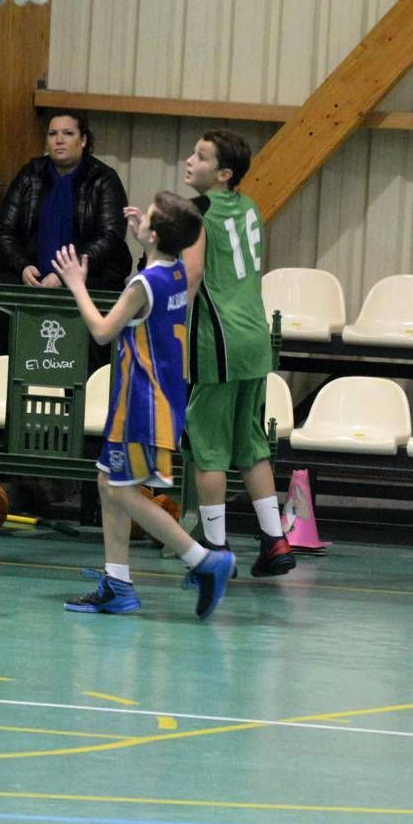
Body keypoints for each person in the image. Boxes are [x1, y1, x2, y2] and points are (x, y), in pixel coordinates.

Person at [52, 191, 235, 620]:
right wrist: (147, 241)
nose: (139, 220)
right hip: (151, 395)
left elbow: (101, 330)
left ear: (153, 235)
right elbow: (156, 275)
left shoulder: (142, 284)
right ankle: (118, 584)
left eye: (146, 220)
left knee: (121, 489)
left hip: (143, 400)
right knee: (106, 481)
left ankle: (203, 560)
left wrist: (76, 283)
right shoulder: (175, 274)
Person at [183, 129, 296, 578]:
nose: (190, 161)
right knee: (250, 441)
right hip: (254, 334)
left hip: (220, 339)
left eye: (201, 156)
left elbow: (191, 279)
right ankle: (275, 540)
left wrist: (164, 328)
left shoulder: (198, 214)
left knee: (208, 446)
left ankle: (215, 550)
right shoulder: (249, 206)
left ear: (223, 174)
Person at [0, 112, 131, 293]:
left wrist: (65, 274)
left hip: (90, 276)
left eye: (68, 133)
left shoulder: (103, 179)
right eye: (52, 134)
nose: (59, 140)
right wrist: (23, 266)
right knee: (2, 285)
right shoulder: (31, 174)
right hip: (33, 273)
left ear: (83, 140)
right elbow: (3, 229)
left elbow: (110, 237)